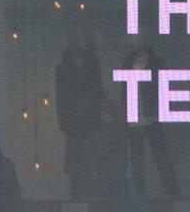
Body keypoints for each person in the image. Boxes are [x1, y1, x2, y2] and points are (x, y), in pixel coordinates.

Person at [120, 37, 181, 197]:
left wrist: (160, 111)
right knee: (137, 162)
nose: (136, 42)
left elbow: (165, 88)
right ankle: (141, 198)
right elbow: (124, 92)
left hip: (152, 117)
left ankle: (173, 194)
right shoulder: (128, 63)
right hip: (134, 119)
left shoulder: (156, 63)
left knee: (161, 157)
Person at [56, 30, 105, 197]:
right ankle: (77, 194)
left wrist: (99, 115)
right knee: (76, 159)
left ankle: (91, 194)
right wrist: (63, 122)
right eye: (74, 39)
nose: (78, 43)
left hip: (91, 119)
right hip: (73, 121)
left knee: (91, 158)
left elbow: (99, 90)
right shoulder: (63, 67)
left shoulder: (91, 65)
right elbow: (61, 97)